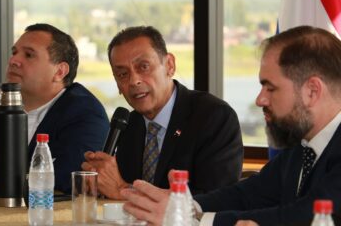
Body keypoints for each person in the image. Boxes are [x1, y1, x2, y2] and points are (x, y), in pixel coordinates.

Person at [121, 26, 341, 226]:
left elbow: (306, 216)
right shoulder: (301, 146)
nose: (260, 100)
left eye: (270, 88)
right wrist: (187, 206)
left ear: (312, 91)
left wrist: (196, 221)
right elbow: (249, 194)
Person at [0, 23, 109, 194]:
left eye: (28, 55)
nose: (13, 61)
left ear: (59, 72)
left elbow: (65, 177)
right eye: (14, 52)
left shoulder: (85, 113)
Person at [82, 26, 243, 200]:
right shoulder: (130, 124)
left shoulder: (214, 117)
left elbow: (215, 199)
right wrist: (100, 186)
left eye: (143, 67)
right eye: (122, 74)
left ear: (170, 66)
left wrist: (123, 190)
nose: (134, 80)